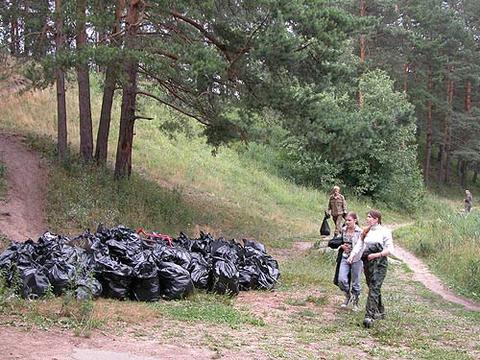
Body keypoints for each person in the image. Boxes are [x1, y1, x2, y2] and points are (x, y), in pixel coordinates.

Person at [347, 210, 393, 328]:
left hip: (380, 263)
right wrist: (352, 255)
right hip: (368, 263)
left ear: (376, 219)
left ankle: (369, 316)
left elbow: (389, 249)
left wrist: (377, 255)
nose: (367, 219)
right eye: (367, 217)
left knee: (374, 287)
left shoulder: (384, 232)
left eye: (370, 217)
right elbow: (359, 245)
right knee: (373, 287)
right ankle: (380, 310)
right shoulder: (366, 231)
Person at [336, 212, 363, 311]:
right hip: (345, 257)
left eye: (349, 220)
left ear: (355, 220)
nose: (347, 222)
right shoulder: (343, 230)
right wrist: (342, 246)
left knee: (356, 282)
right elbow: (340, 241)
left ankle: (355, 303)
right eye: (346, 220)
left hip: (357, 259)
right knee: (341, 279)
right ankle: (348, 295)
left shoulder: (360, 232)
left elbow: (362, 246)